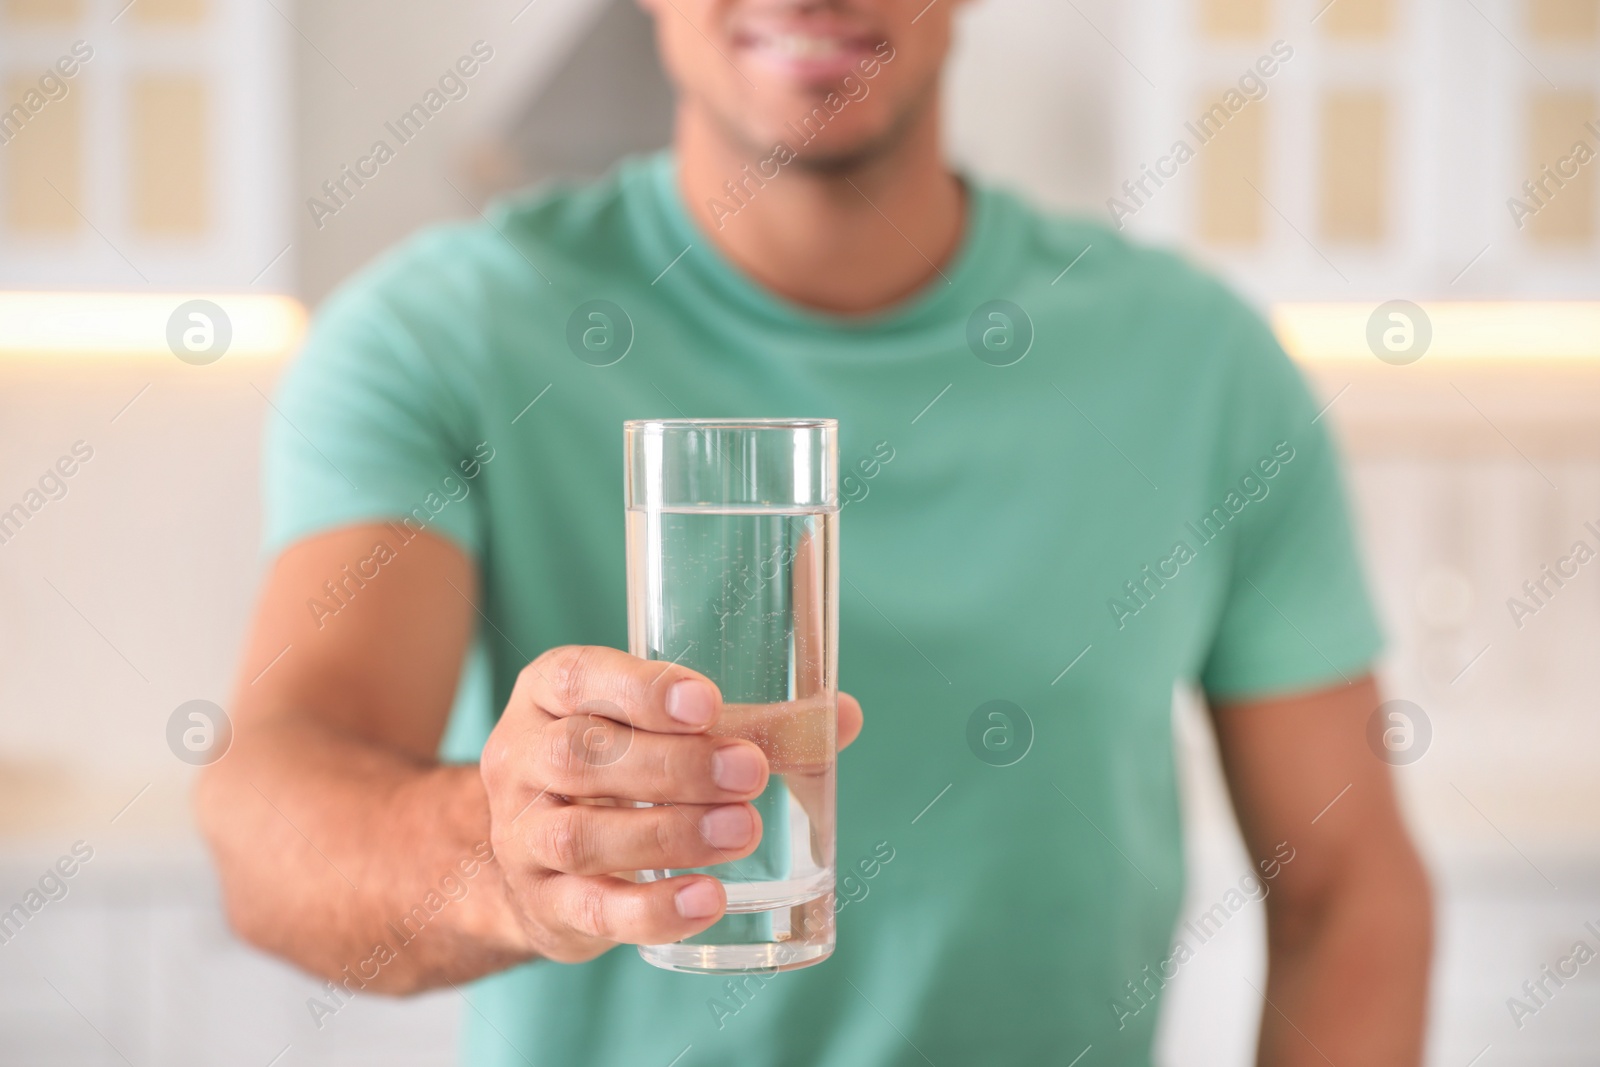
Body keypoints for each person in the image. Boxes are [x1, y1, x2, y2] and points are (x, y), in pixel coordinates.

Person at [197, 0, 1433, 1063]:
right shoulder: (438, 337)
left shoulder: (1197, 366)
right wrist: (510, 847)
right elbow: (273, 813)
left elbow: (1347, 888)